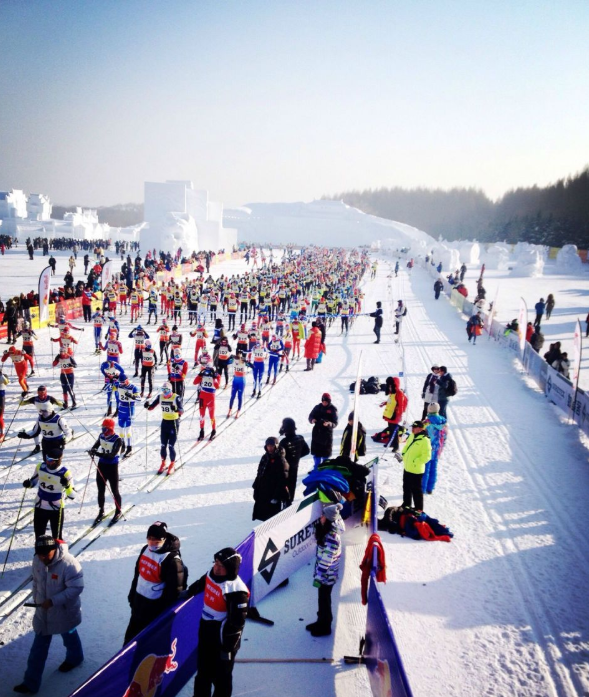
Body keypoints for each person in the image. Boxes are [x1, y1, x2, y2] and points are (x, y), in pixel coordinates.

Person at [13, 536, 84, 695]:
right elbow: (36, 581)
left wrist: (53, 601)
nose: (42, 557)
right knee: (38, 649)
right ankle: (30, 684)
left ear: (55, 550)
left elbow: (76, 588)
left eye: (46, 554)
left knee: (70, 635)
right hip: (43, 613)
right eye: (40, 554)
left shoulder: (70, 564)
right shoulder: (37, 560)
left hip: (64, 612)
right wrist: (37, 598)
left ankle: (75, 658)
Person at [185, 547, 250, 697]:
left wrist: (227, 649)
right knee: (203, 672)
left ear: (230, 569)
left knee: (221, 678)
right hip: (206, 628)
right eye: (215, 563)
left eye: (221, 566)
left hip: (222, 638)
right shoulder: (212, 573)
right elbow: (203, 582)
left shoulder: (237, 591)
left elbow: (237, 624)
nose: (216, 568)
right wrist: (189, 592)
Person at [124, 521, 185, 644]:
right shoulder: (145, 550)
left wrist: (160, 613)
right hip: (138, 604)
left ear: (164, 539)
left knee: (147, 643)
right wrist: (132, 596)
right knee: (130, 640)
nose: (152, 543)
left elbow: (174, 592)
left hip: (153, 609)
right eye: (149, 539)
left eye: (156, 541)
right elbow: (138, 574)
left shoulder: (172, 560)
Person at [305, 503, 344, 637]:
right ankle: (320, 621)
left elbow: (326, 561)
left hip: (327, 576)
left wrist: (319, 578)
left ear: (328, 519)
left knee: (324, 600)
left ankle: (325, 625)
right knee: (322, 599)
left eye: (323, 515)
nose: (320, 517)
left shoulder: (332, 538)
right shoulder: (327, 530)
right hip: (324, 575)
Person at [23, 451, 75, 539]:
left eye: (51, 460)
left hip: (56, 509)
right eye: (47, 459)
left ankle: (58, 553)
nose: (48, 462)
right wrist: (28, 484)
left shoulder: (65, 473)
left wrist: (67, 486)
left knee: (57, 538)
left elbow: (72, 496)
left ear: (57, 461)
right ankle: (39, 552)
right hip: (40, 506)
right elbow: (33, 483)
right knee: (39, 537)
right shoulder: (40, 467)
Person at [88, 418, 124, 526]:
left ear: (111, 429)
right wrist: (92, 451)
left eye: (106, 429)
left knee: (114, 490)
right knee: (100, 490)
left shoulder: (117, 440)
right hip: (102, 465)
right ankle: (101, 510)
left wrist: (97, 454)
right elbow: (95, 446)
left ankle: (118, 511)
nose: (104, 431)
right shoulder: (101, 436)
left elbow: (111, 455)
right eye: (103, 428)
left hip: (112, 466)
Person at [145, 382, 183, 475]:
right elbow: (151, 407)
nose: (164, 393)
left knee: (171, 446)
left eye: (166, 391)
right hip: (165, 422)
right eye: (163, 390)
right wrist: (147, 406)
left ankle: (172, 463)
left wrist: (176, 409)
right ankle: (163, 462)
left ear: (170, 390)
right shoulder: (160, 397)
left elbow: (182, 411)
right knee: (163, 445)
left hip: (174, 422)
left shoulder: (176, 397)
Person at [252, 436, 290, 521]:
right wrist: (256, 487)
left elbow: (282, 479)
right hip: (263, 490)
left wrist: (276, 496)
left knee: (272, 516)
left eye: (272, 446)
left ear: (276, 446)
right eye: (268, 446)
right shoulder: (265, 457)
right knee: (263, 515)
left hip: (273, 491)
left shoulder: (280, 460)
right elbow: (260, 473)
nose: (269, 448)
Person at [397, 420, 431, 511]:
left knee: (416, 491)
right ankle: (406, 504)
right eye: (412, 427)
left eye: (415, 427)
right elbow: (406, 446)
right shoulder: (412, 436)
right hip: (407, 467)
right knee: (406, 487)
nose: (412, 429)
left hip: (416, 470)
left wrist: (415, 461)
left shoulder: (425, 440)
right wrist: (403, 454)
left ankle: (418, 509)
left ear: (420, 429)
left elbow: (427, 456)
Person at [279, 417, 310, 502]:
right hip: (295, 466)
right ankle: (290, 501)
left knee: (283, 486)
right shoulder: (300, 438)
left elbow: (279, 457)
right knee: (292, 486)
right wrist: (296, 456)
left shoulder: (283, 442)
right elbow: (307, 451)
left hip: (284, 468)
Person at [422, 403, 448, 495]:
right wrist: (441, 446)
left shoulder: (426, 422)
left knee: (425, 468)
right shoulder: (443, 422)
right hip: (437, 448)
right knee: (434, 468)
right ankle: (430, 488)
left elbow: (420, 434)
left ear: (429, 410)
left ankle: (422, 488)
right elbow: (445, 436)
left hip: (427, 448)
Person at [308, 393, 338, 468]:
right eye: (323, 401)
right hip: (317, 433)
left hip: (326, 434)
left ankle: (324, 469)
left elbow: (335, 423)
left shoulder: (333, 409)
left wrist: (329, 424)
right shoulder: (317, 407)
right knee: (316, 453)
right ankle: (316, 468)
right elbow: (310, 416)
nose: (324, 403)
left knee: (325, 454)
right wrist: (312, 420)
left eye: (326, 402)